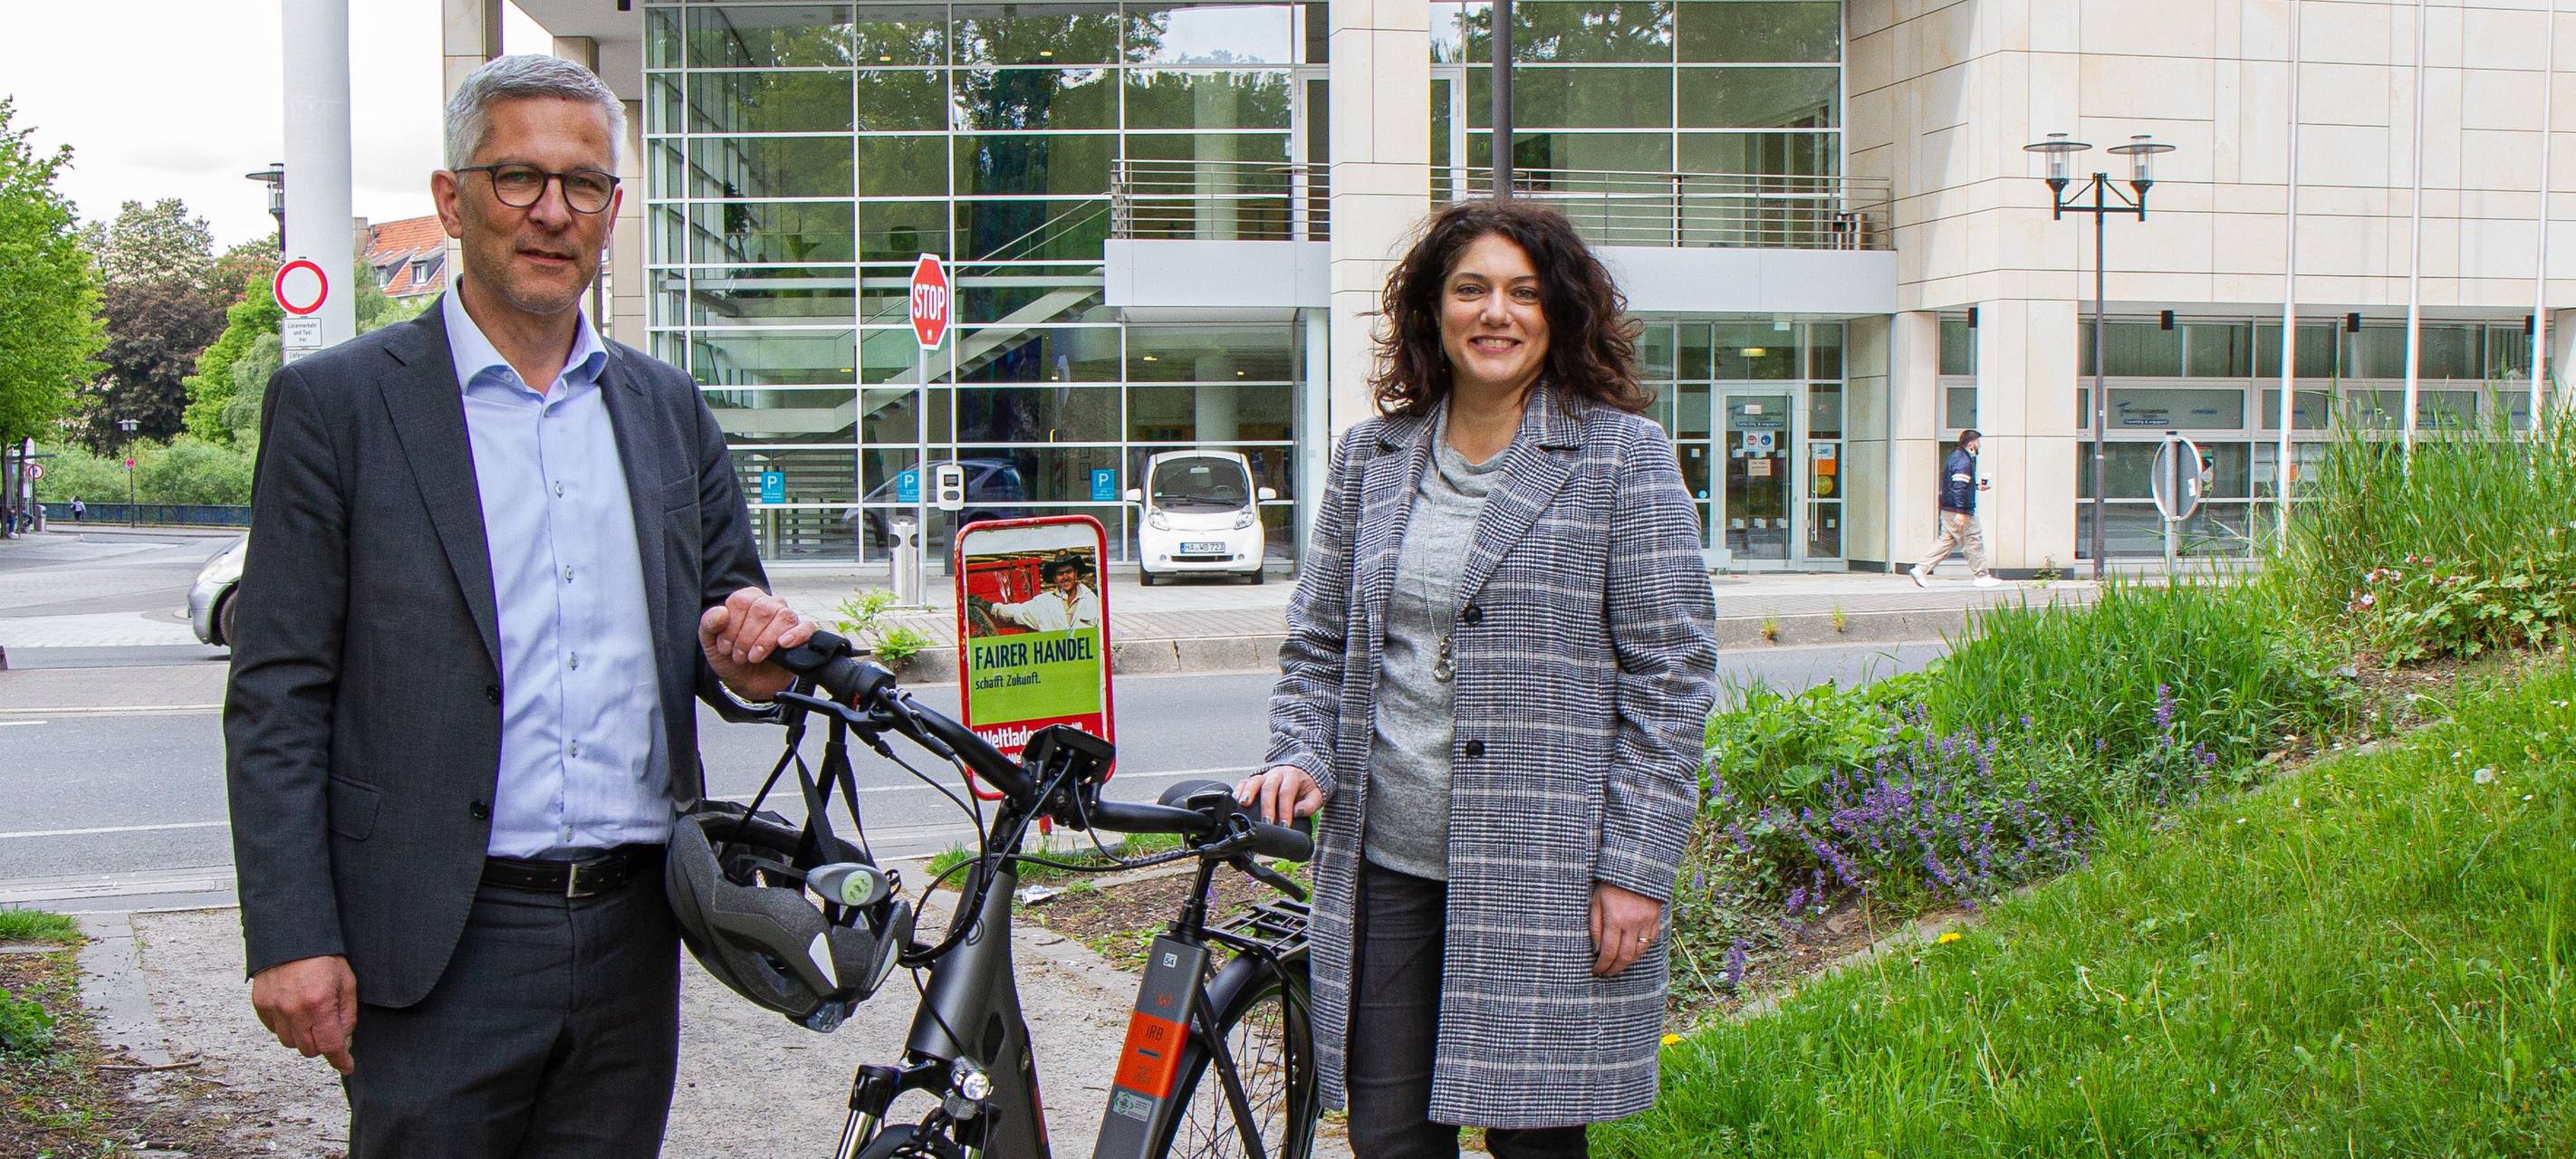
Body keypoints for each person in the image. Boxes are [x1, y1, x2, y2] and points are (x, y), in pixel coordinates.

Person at [223, 55, 812, 1159]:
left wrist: (755, 655)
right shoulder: (337, 406)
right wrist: (293, 934)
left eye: (582, 184)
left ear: (613, 210)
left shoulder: (665, 407)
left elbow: (730, 621)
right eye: (516, 178)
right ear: (453, 201)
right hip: (436, 936)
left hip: (636, 928)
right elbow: (277, 694)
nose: (552, 211)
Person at [1238, 200, 1717, 1158]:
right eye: (1471, 289)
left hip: (1546, 869)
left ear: (1559, 312)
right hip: (1387, 864)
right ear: (1434, 310)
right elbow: (1319, 641)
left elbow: (1672, 678)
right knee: (1388, 1135)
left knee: (1536, 1142)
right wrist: (1298, 749)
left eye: (1523, 292)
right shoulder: (1370, 459)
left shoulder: (1623, 458)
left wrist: (1636, 869)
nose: (1496, 312)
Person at [1910, 428, 1999, 588]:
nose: (1980, 446)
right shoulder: (1963, 461)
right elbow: (1958, 487)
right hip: (1959, 511)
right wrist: (1962, 511)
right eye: (1978, 442)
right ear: (1971, 443)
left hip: (1948, 509)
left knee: (1947, 540)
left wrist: (1977, 486)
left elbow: (1957, 484)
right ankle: (1981, 576)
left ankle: (1921, 569)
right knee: (1973, 539)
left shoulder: (1955, 457)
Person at [976, 551, 1101, 632]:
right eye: (1060, 574)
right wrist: (990, 607)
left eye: (1069, 572)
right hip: (1055, 668)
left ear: (1076, 573)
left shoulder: (1091, 600)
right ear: (1054, 578)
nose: (1065, 577)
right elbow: (1017, 611)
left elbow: (1102, 635)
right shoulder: (1043, 603)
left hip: (1085, 668)